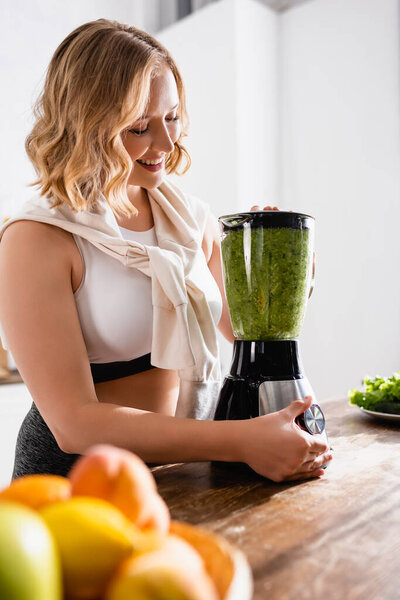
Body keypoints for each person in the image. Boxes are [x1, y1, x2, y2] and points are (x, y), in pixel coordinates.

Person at [0, 19, 332, 483]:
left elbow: (246, 334)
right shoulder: (37, 237)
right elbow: (74, 423)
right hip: (75, 477)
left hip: (179, 468)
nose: (167, 142)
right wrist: (242, 441)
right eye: (139, 127)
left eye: (172, 117)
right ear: (86, 125)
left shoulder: (188, 219)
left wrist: (281, 269)